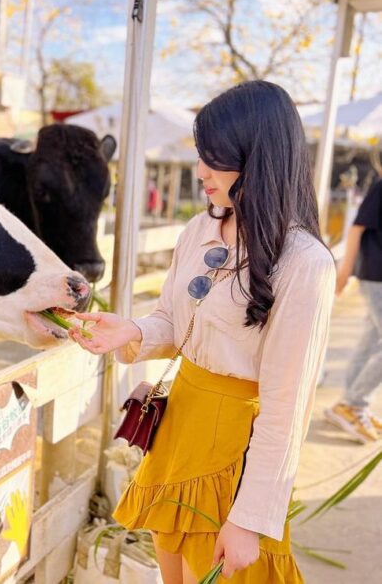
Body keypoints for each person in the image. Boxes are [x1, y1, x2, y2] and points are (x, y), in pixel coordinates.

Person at [68, 81, 335, 583]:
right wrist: (128, 329)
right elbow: (174, 322)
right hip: (180, 430)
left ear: (256, 158)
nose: (200, 172)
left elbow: (286, 410)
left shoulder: (304, 263)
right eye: (200, 155)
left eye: (213, 158)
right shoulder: (200, 230)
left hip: (234, 454)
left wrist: (250, 519)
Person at [324, 176, 382, 443]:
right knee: (371, 343)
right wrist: (344, 272)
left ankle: (350, 404)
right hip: (375, 276)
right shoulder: (381, 186)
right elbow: (357, 228)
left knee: (369, 343)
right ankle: (353, 404)